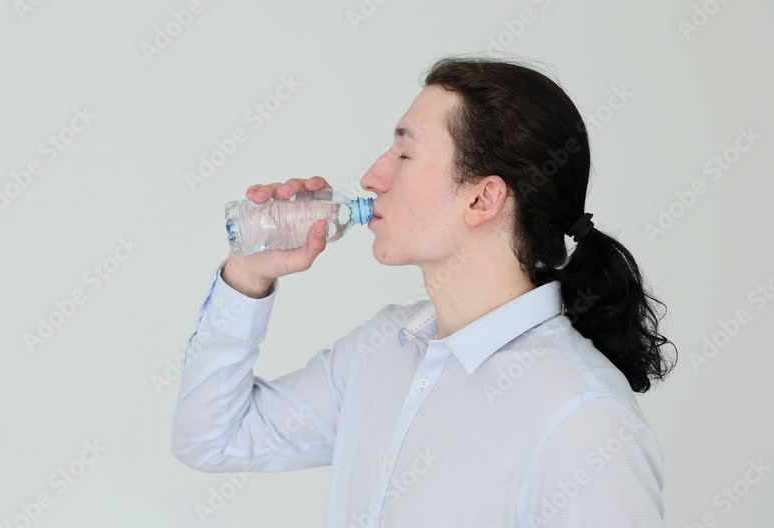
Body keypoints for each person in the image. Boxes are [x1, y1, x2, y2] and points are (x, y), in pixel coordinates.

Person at [171, 56, 677, 528]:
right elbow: (211, 438)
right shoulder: (380, 350)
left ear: (482, 198)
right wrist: (247, 276)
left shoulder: (585, 419)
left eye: (404, 152)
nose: (372, 177)